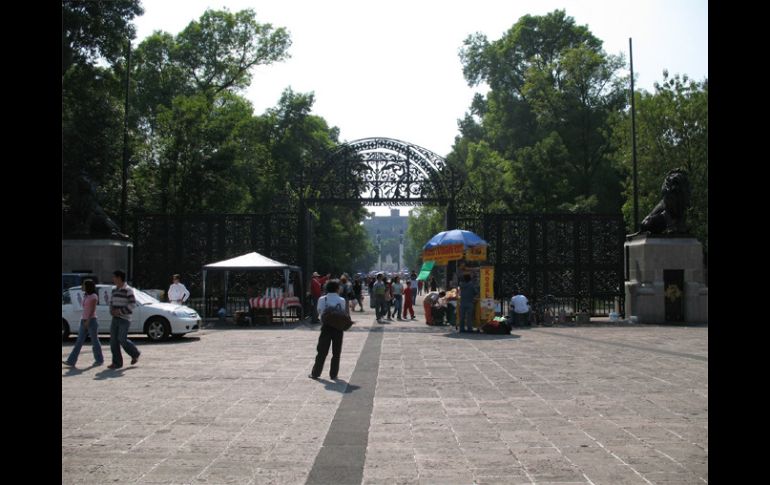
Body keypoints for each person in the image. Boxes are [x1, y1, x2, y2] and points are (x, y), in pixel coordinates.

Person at [310, 280, 346, 380]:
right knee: (336, 352)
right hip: (338, 328)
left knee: (321, 351)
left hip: (326, 327)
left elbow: (319, 311)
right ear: (337, 288)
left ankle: (316, 373)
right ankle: (333, 374)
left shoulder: (322, 299)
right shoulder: (341, 300)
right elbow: (343, 312)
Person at [63, 279, 103, 367]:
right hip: (83, 320)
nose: (82, 286)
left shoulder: (93, 296)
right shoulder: (86, 296)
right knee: (79, 341)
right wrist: (83, 319)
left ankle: (99, 360)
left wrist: (88, 320)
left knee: (94, 341)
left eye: (84, 285)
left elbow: (92, 310)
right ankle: (71, 361)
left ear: (88, 286)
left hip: (91, 321)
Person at [108, 269, 141, 369]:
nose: (113, 279)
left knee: (122, 339)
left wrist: (120, 311)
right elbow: (111, 302)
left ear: (119, 278)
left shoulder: (128, 289)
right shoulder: (114, 289)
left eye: (114, 277)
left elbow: (132, 304)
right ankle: (117, 363)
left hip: (124, 319)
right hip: (115, 319)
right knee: (113, 341)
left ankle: (135, 353)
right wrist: (111, 310)